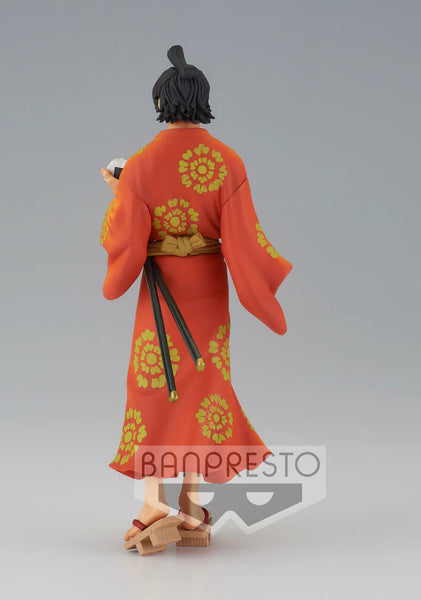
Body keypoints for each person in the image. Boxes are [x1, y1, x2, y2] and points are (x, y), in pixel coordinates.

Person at [100, 44, 292, 551]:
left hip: (162, 289)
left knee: (153, 384)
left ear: (160, 102)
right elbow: (245, 239)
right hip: (207, 288)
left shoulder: (140, 164)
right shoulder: (228, 162)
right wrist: (264, 288)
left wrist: (120, 194)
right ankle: (190, 507)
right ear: (204, 100)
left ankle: (153, 504)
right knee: (202, 388)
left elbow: (127, 238)